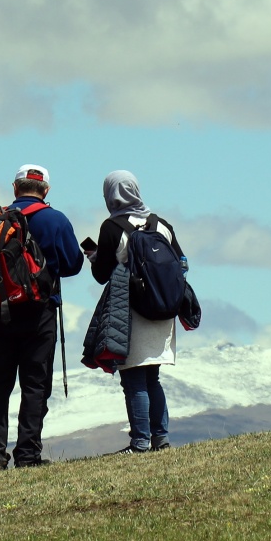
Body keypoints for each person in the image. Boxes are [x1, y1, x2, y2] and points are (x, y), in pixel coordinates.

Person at [0, 164, 85, 472]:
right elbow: (73, 264)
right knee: (35, 385)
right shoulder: (55, 220)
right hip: (40, 313)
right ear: (46, 190)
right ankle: (27, 455)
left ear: (15, 188)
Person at [86, 170, 180, 454]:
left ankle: (140, 442)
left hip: (130, 311)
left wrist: (94, 257)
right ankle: (160, 439)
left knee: (134, 378)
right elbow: (181, 262)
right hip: (163, 309)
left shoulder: (111, 228)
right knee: (153, 378)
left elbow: (101, 274)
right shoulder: (161, 224)